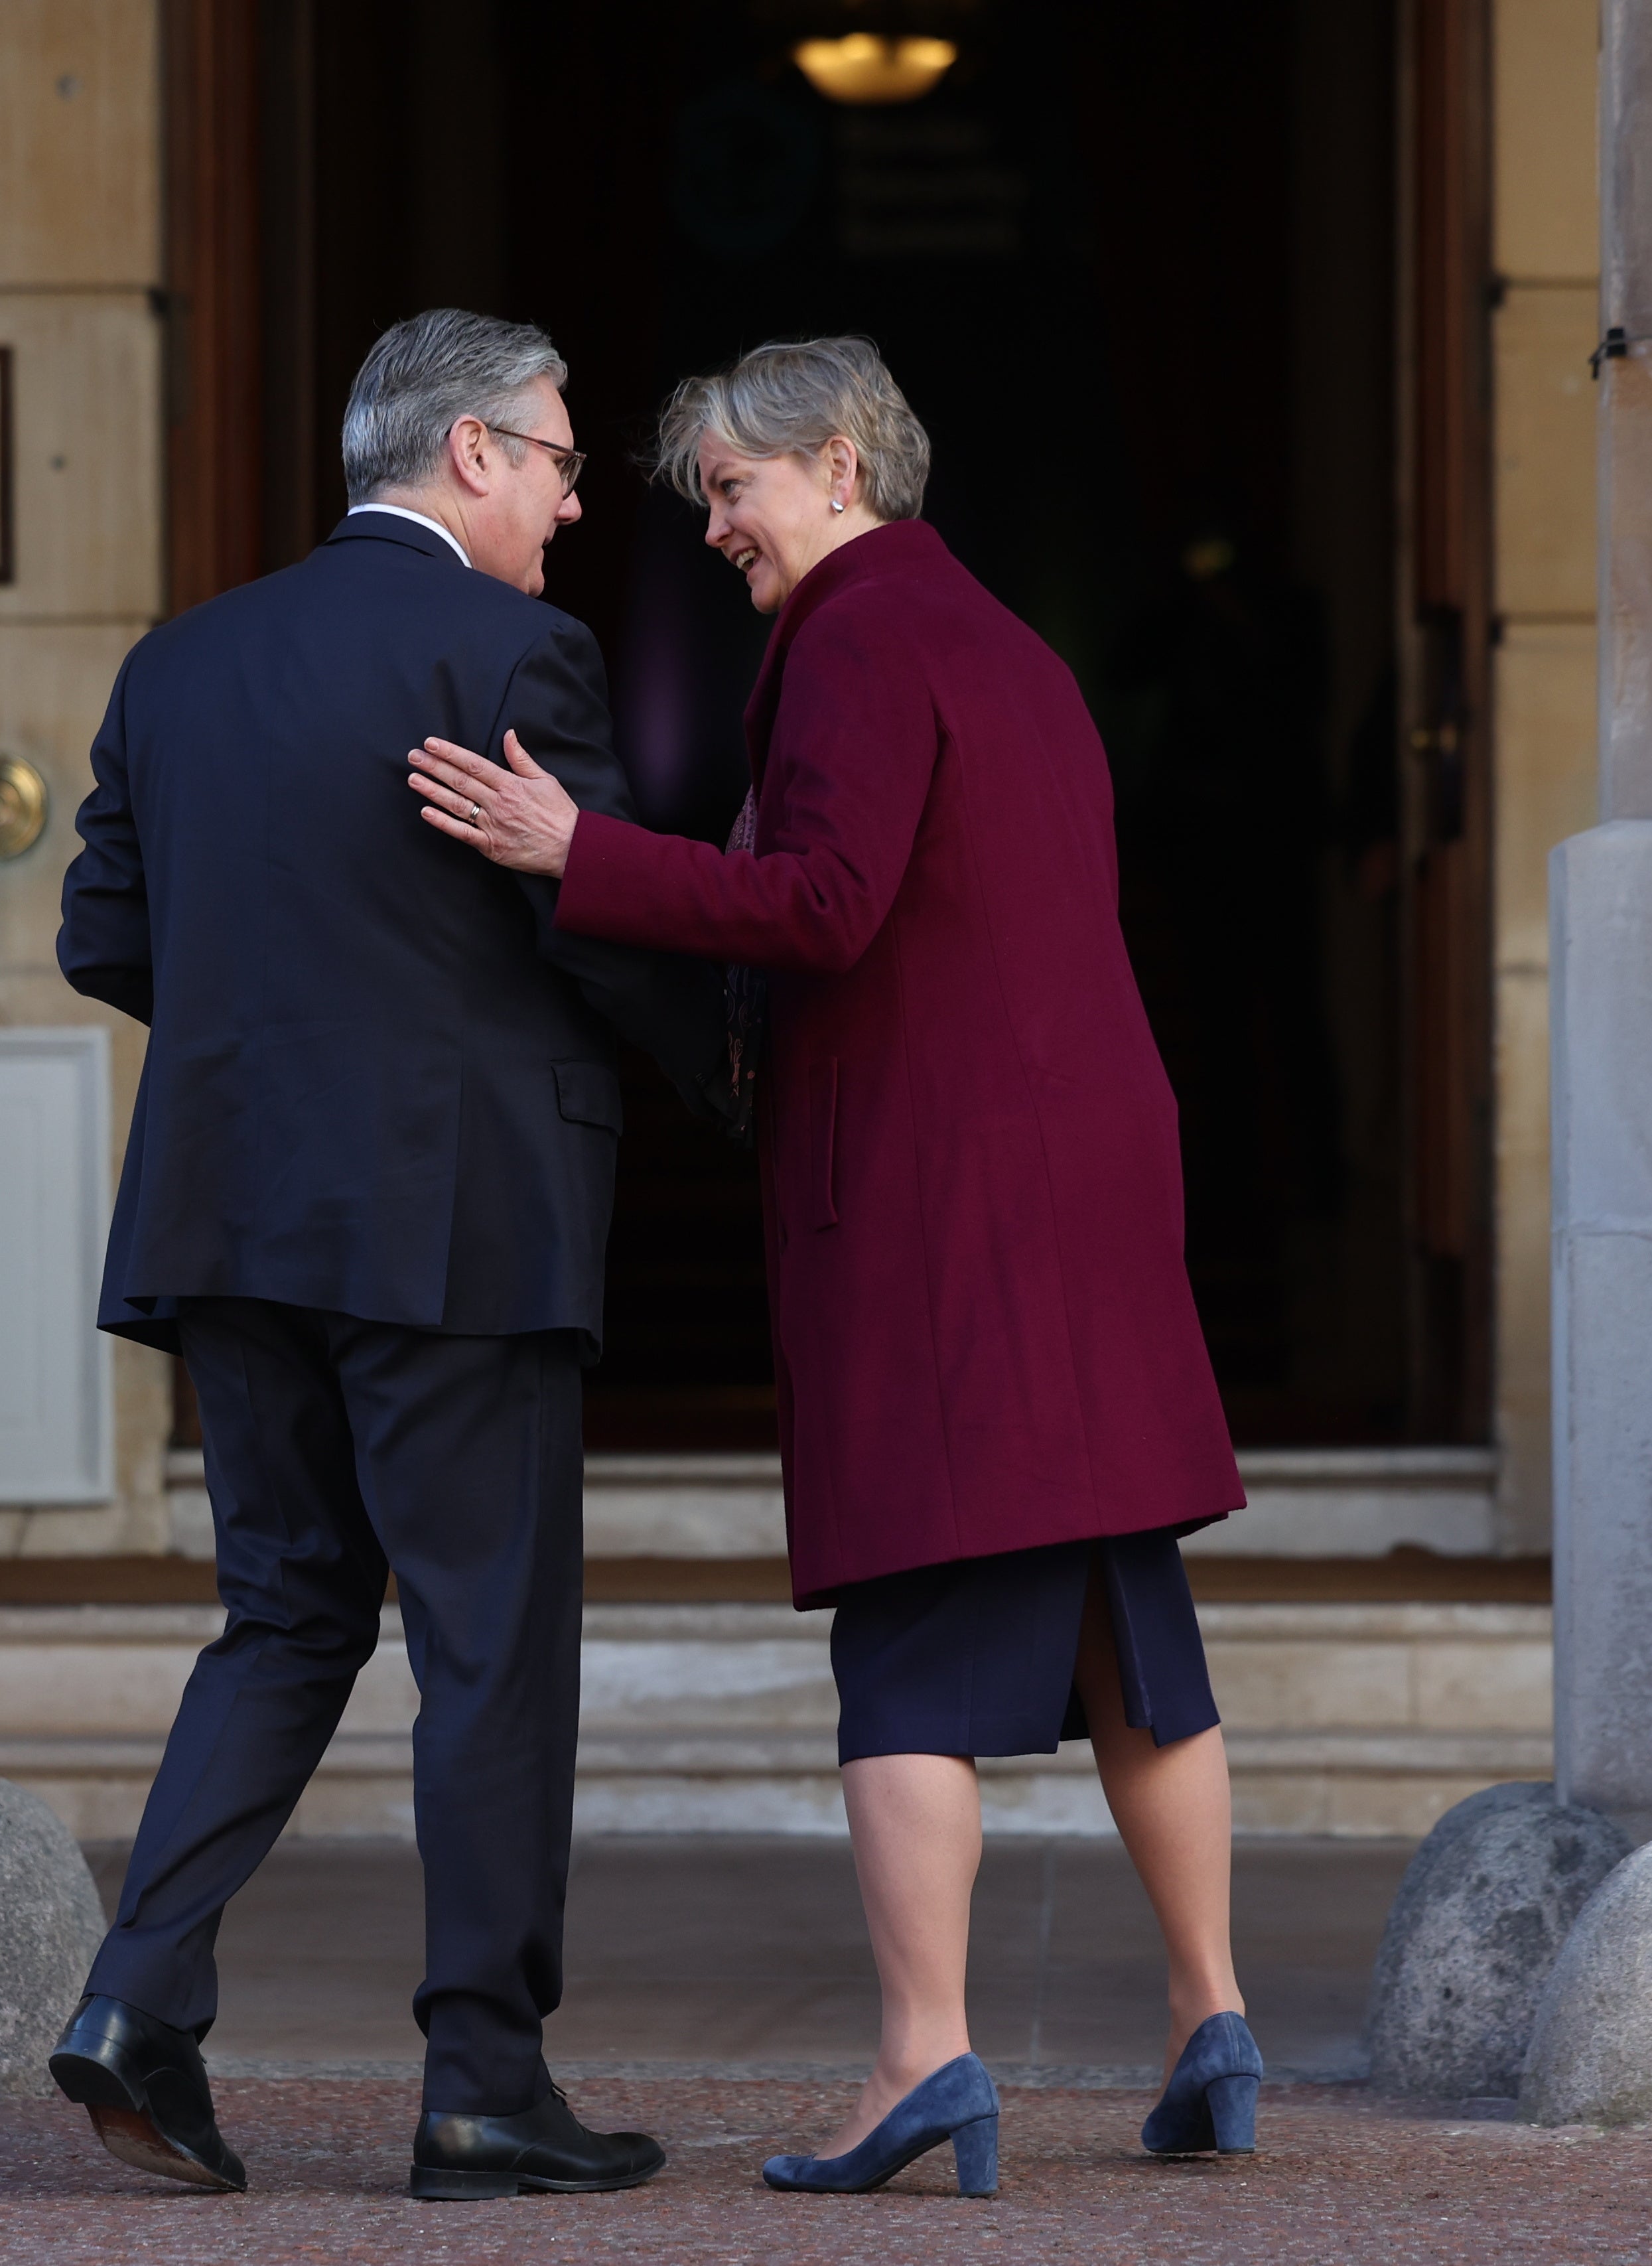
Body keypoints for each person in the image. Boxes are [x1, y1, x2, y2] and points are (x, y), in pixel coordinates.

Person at [406, 336, 1259, 2198]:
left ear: (844, 466)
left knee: (907, 1632)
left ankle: (918, 2060)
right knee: (1131, 1623)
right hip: (1082, 1192)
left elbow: (824, 903)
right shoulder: (1007, 643)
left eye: (733, 487)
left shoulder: (860, 638)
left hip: (942, 1206)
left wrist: (579, 850)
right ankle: (1211, 2013)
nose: (713, 527)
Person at [46, 309, 722, 2202]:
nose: (574, 506)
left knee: (283, 1618)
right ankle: (483, 2087)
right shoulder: (509, 651)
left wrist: (285, 1032)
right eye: (563, 463)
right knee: (487, 1649)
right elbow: (593, 923)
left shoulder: (180, 661)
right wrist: (741, 1058)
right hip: (456, 1219)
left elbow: (102, 937)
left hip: (233, 1213)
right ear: (473, 452)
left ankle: (134, 1999)